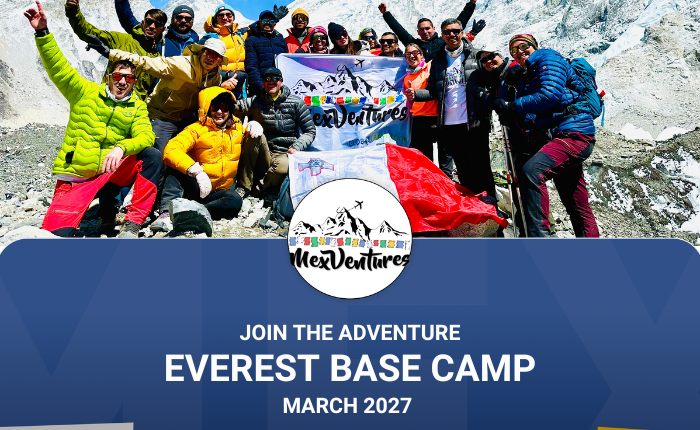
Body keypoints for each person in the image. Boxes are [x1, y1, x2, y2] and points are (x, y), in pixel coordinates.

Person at [25, 1, 160, 238]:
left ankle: (132, 222)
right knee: (56, 237)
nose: (122, 82)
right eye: (118, 76)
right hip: (78, 177)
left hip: (110, 173)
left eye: (128, 79)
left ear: (134, 83)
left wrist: (121, 147)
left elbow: (146, 135)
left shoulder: (137, 106)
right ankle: (93, 213)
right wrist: (42, 32)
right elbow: (59, 68)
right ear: (108, 77)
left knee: (152, 156)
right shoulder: (85, 92)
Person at [491, 34, 599, 238]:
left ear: (535, 46)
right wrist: (507, 87)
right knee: (576, 202)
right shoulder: (529, 73)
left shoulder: (548, 57)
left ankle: (539, 239)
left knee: (532, 171)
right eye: (514, 50)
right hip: (560, 135)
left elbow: (550, 95)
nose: (519, 51)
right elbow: (514, 104)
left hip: (573, 133)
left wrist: (512, 106)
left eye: (524, 46)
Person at [88, 35, 228, 153]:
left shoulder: (215, 78)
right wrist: (109, 53)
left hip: (186, 120)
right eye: (208, 53)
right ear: (201, 52)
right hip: (162, 117)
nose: (211, 58)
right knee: (157, 153)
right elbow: (145, 62)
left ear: (219, 61)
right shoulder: (181, 65)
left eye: (216, 56)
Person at [152, 87, 253, 232]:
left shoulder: (237, 128)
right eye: (215, 107)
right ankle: (167, 213)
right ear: (207, 109)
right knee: (176, 168)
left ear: (230, 110)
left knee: (235, 200)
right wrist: (195, 170)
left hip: (216, 193)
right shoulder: (195, 129)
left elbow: (246, 133)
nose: (220, 112)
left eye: (224, 108)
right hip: (194, 186)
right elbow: (171, 150)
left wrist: (251, 126)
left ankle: (194, 212)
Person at [409, 19, 481, 184]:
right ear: (442, 35)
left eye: (456, 31)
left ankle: (487, 198)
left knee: (479, 165)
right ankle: (469, 198)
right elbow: (433, 91)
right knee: (462, 167)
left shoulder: (474, 55)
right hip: (449, 123)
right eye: (447, 32)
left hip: (472, 122)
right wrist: (416, 94)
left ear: (462, 33)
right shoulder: (439, 60)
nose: (452, 35)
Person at [234, 68, 316, 196]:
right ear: (262, 84)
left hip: (285, 152)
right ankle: (243, 187)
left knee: (283, 168)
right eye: (267, 79)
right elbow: (232, 107)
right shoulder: (255, 101)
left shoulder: (296, 103)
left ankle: (258, 190)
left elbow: (310, 131)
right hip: (264, 151)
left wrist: (297, 146)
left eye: (275, 78)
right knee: (252, 135)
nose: (271, 81)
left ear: (281, 82)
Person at [65, 0, 166, 102]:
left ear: (162, 29)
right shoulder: (121, 40)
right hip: (106, 102)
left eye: (157, 24)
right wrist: (73, 10)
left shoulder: (157, 60)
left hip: (133, 109)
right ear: (143, 23)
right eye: (149, 21)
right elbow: (88, 32)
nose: (152, 26)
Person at [378, 0, 485, 62]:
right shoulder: (414, 44)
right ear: (418, 32)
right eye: (422, 29)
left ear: (434, 29)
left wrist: (471, 3)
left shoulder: (443, 41)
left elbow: (459, 22)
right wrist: (386, 14)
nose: (425, 32)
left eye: (427, 28)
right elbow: (399, 30)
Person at [403, 44, 444, 171]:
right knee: (425, 159)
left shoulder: (430, 67)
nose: (411, 56)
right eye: (408, 54)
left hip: (435, 117)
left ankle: (446, 179)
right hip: (418, 120)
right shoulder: (406, 78)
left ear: (421, 55)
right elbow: (410, 101)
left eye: (415, 53)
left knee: (443, 156)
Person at [115, 0, 199, 57]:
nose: (183, 20)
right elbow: (129, 21)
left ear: (192, 21)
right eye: (179, 17)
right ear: (172, 19)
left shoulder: (196, 42)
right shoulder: (160, 35)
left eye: (188, 18)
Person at [205, 4, 249, 98]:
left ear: (233, 17)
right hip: (219, 84)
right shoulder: (210, 37)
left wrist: (275, 16)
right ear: (216, 18)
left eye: (228, 15)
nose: (225, 18)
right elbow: (202, 63)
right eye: (221, 15)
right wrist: (225, 75)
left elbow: (257, 26)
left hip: (240, 86)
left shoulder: (239, 36)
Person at [245, 10, 289, 97]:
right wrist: (261, 87)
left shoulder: (280, 40)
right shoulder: (251, 40)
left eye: (271, 21)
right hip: (260, 88)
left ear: (275, 23)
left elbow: (286, 64)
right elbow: (251, 66)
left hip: (279, 88)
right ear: (259, 22)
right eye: (264, 20)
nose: (268, 23)